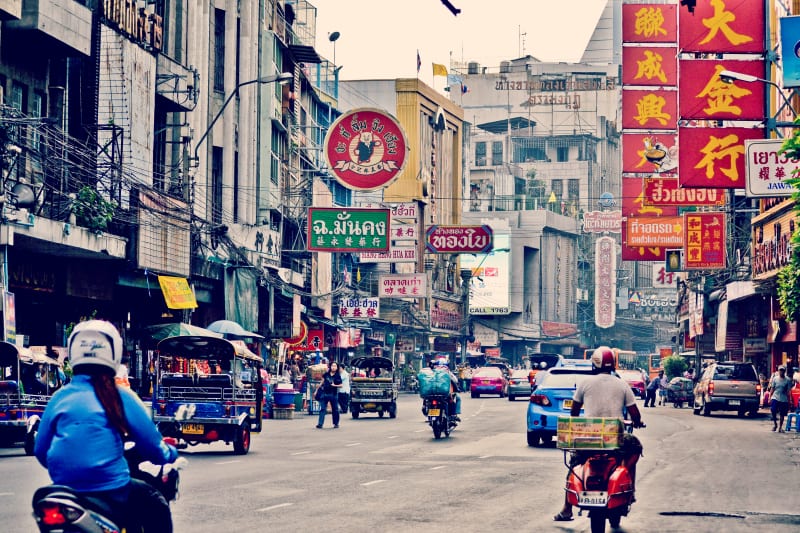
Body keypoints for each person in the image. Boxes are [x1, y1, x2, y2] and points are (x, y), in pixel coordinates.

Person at [34, 320, 180, 532]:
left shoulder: (60, 397)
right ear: (113, 353)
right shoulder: (120, 396)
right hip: (111, 489)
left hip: (63, 489)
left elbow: (40, 451)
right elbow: (153, 447)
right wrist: (170, 454)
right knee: (155, 502)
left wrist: (70, 471)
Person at [554, 346, 643, 522]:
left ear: (594, 364)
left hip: (589, 440)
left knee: (574, 465)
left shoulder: (585, 383)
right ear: (613, 365)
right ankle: (629, 491)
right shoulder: (621, 384)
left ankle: (567, 509)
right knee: (635, 447)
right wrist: (638, 422)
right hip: (615, 441)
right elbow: (635, 414)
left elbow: (574, 412)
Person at [316, 361, 342, 429]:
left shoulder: (338, 376)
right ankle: (320, 424)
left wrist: (335, 385)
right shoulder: (326, 374)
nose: (333, 367)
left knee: (335, 409)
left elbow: (341, 385)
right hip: (325, 394)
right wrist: (316, 390)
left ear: (337, 368)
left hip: (333, 394)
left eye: (335, 366)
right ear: (330, 367)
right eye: (332, 366)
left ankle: (336, 423)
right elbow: (322, 382)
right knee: (322, 409)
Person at [768, 365, 792, 432]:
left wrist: (790, 400)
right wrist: (769, 397)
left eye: (782, 370)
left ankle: (780, 427)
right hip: (775, 396)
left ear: (784, 371)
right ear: (778, 371)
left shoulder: (787, 380)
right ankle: (775, 424)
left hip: (783, 398)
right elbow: (772, 388)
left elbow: (788, 391)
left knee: (782, 413)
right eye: (780, 370)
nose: (781, 372)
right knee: (773, 410)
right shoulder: (775, 378)